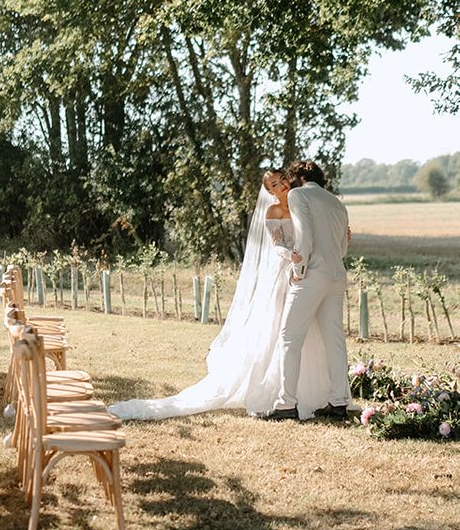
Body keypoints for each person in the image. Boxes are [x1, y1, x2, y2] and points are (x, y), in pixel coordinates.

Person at [107, 167, 332, 421]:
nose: (281, 186)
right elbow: (276, 245)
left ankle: (308, 390)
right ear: (269, 191)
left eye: (281, 180)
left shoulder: (301, 205)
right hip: (283, 272)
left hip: (305, 273)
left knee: (305, 328)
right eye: (274, 185)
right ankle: (276, 389)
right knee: (280, 327)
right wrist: (292, 256)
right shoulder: (274, 211)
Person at [261, 160, 351, 421]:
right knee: (334, 340)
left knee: (290, 337)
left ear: (299, 178)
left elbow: (304, 234)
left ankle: (286, 404)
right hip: (337, 276)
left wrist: (299, 269)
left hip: (312, 274)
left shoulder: (298, 195)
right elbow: (343, 247)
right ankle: (338, 403)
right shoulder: (337, 203)